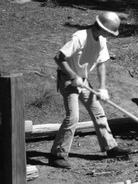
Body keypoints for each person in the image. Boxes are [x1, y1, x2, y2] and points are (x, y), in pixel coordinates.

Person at [49, 11, 131, 169]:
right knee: (73, 117)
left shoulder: (101, 40)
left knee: (98, 112)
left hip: (83, 81)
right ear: (102, 28)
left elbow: (101, 63)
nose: (111, 35)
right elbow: (59, 57)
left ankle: (110, 147)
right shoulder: (80, 37)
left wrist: (102, 87)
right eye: (110, 32)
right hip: (68, 80)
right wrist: (73, 76)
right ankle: (57, 155)